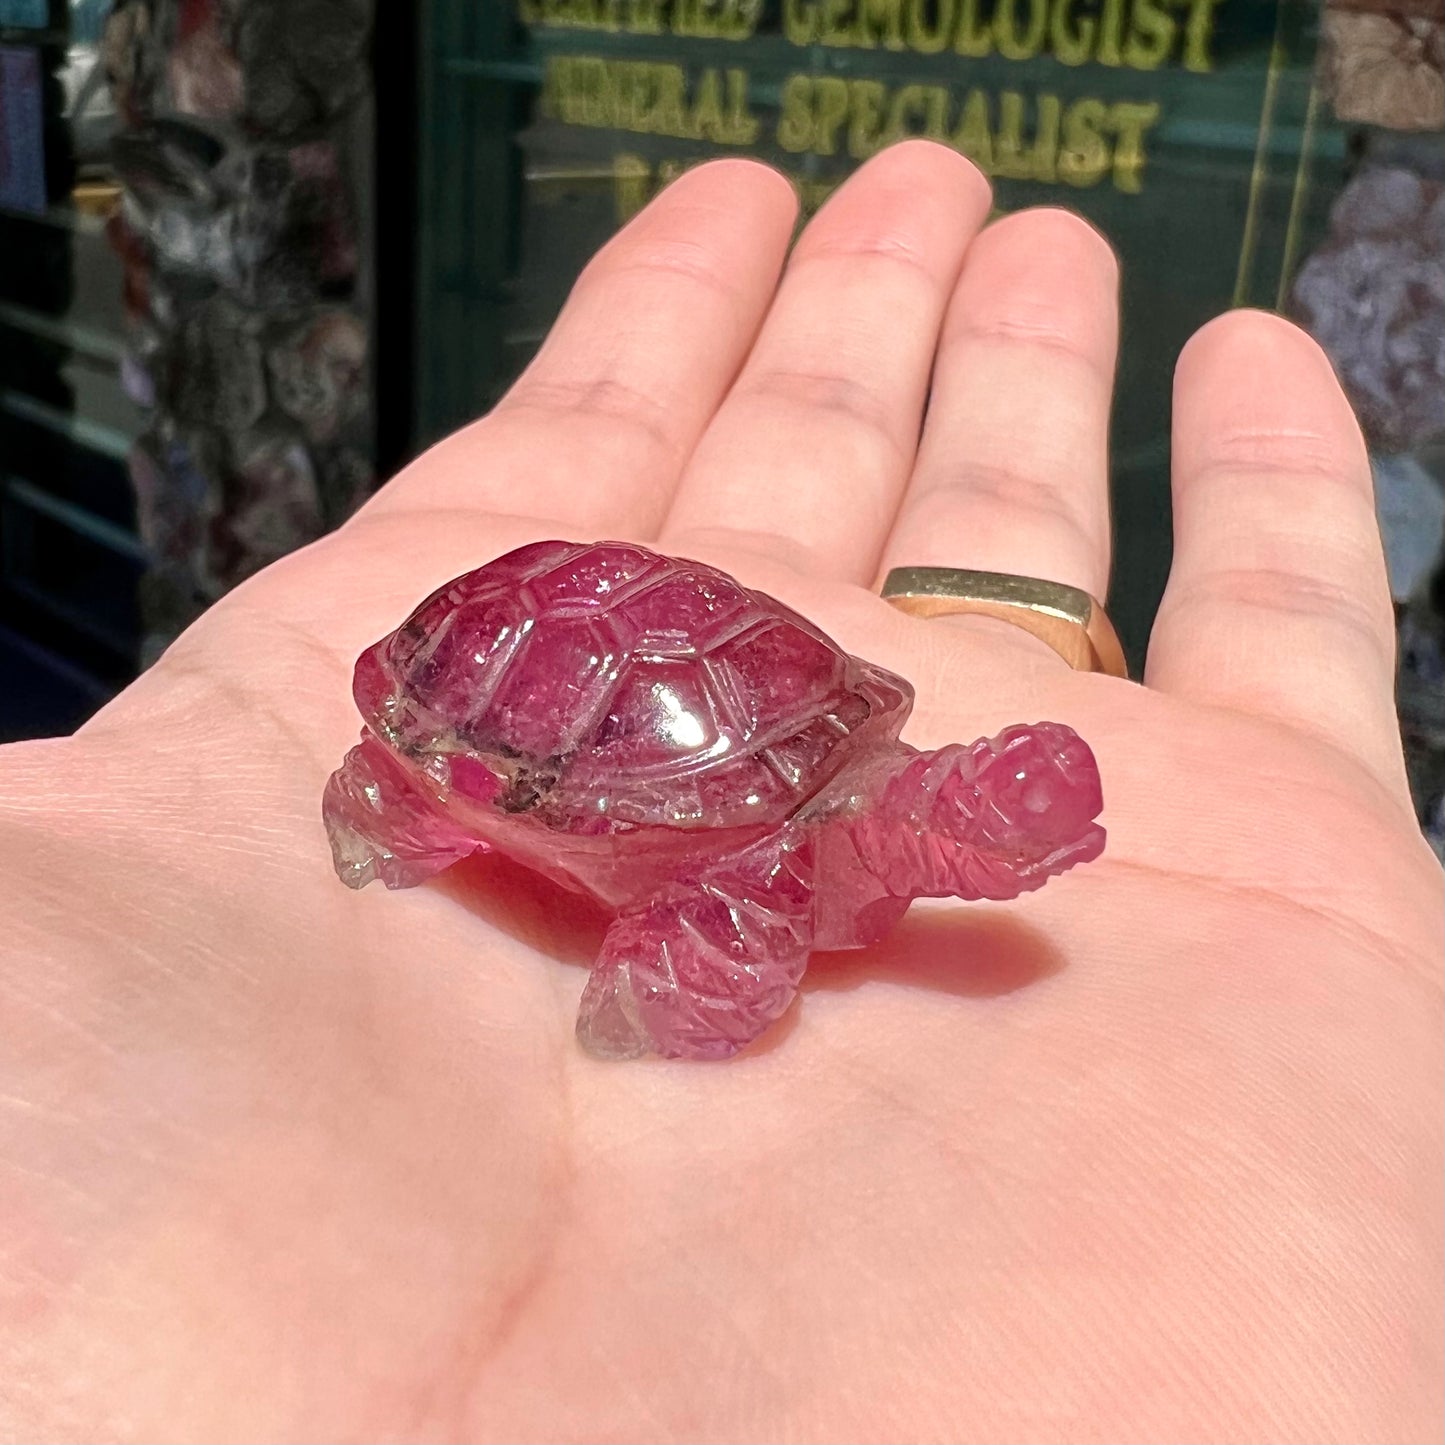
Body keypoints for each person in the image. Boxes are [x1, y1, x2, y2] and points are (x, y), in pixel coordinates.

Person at [0, 141, 1439, 1442]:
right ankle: (407, 804)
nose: (1022, 864)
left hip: (677, 699)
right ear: (940, 826)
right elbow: (698, 941)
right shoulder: (759, 875)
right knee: (519, 842)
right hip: (509, 679)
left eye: (1024, 838)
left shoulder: (858, 792)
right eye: (1012, 837)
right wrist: (648, 990)